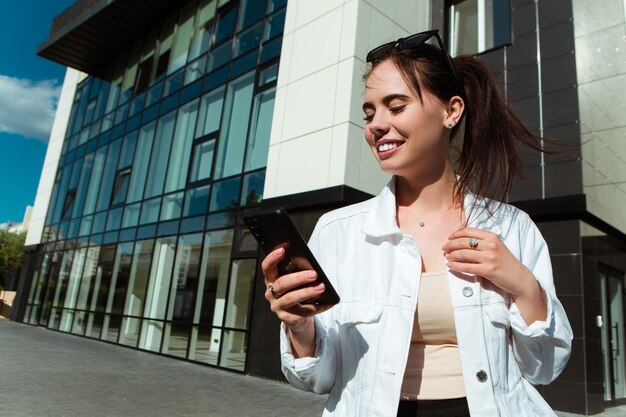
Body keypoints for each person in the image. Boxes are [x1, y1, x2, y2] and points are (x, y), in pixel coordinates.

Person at [261, 29, 573, 417]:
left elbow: (543, 369)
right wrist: (298, 327)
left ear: (451, 111)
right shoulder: (337, 232)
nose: (376, 124)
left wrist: (523, 285)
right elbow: (317, 380)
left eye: (396, 106)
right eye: (370, 112)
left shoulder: (511, 228)